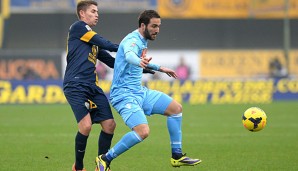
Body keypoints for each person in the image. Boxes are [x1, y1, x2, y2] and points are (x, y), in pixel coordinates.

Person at [95, 10, 201, 171]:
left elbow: (138, 61)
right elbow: (130, 56)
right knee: (142, 132)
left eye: (158, 26)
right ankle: (105, 159)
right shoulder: (132, 40)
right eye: (153, 26)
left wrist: (160, 68)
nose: (157, 30)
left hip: (139, 92)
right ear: (143, 25)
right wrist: (140, 62)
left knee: (176, 109)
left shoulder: (142, 40)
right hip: (123, 95)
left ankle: (177, 156)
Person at [63, 1, 118, 171]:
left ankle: (102, 165)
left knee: (110, 125)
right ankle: (78, 167)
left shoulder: (91, 41)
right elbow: (106, 43)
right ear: (82, 14)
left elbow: (113, 62)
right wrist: (128, 48)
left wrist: (143, 67)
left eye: (97, 11)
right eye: (93, 11)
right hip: (75, 84)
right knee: (86, 126)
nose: (97, 14)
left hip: (92, 86)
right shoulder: (78, 27)